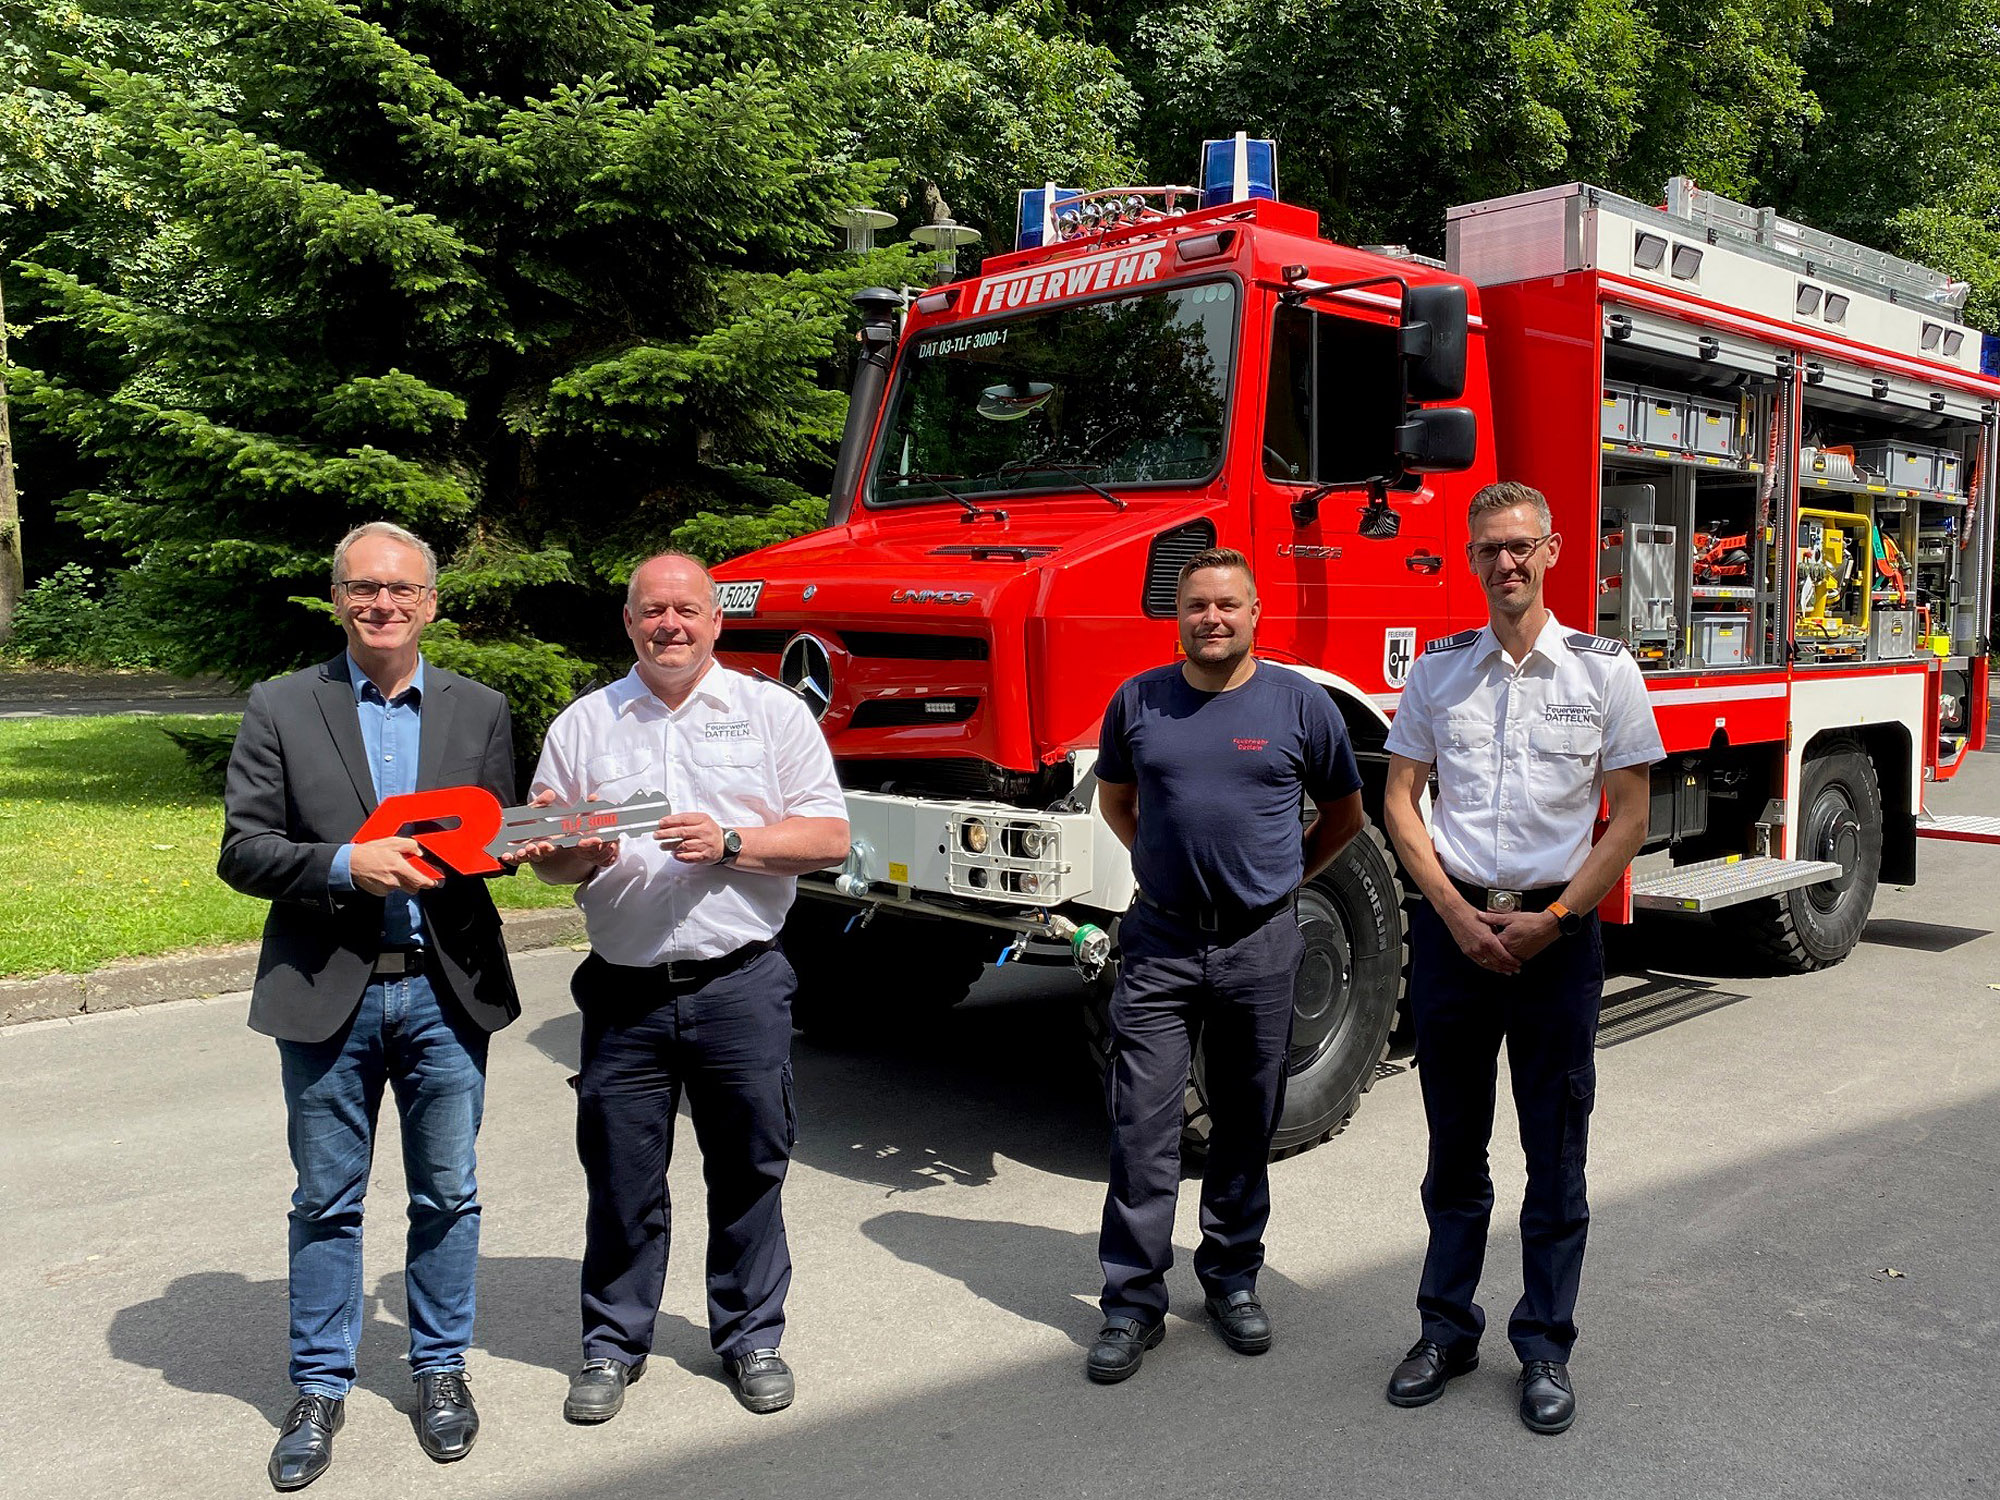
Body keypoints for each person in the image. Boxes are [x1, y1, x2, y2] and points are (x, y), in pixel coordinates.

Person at [513, 551, 848, 1422]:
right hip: (624, 991)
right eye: (653, 611)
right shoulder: (584, 725)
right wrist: (575, 855)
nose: (670, 625)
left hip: (741, 983)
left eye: (687, 610)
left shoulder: (772, 714)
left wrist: (735, 843)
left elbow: (829, 838)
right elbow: (547, 860)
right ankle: (611, 1344)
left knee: (749, 1170)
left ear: (715, 621)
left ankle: (750, 1336)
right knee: (621, 1178)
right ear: (629, 622)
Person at [219, 521, 519, 1490]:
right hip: (325, 992)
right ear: (337, 598)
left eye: (400, 589)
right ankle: (318, 1387)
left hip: (445, 991)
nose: (381, 604)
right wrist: (348, 863)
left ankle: (440, 1370)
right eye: (362, 587)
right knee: (325, 1200)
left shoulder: (480, 710)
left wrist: (541, 848)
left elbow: (493, 842)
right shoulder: (280, 705)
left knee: (448, 1195)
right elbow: (243, 851)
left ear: (430, 603)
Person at [1379, 479, 1663, 1435]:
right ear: (1471, 560)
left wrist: (1559, 917)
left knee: (1556, 1153)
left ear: (1552, 552)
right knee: (1454, 1151)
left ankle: (1544, 1345)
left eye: (1520, 546)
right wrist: (1454, 915)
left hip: (1557, 941)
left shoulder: (1604, 673)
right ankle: (1444, 1330)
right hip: (1455, 935)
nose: (1506, 562)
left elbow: (1629, 817)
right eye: (1489, 549)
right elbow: (1400, 801)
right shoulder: (1438, 672)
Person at [1085, 546, 1365, 1383]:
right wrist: (1166, 867)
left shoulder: (1300, 705)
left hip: (1260, 944)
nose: (1212, 618)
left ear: (1255, 613)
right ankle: (1132, 1302)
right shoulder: (1138, 701)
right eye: (1197, 605)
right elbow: (1118, 801)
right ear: (1178, 617)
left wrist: (1280, 882)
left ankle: (1232, 1279)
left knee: (1246, 1121)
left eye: (1227, 604)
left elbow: (1346, 815)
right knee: (1142, 1127)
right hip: (1161, 942)